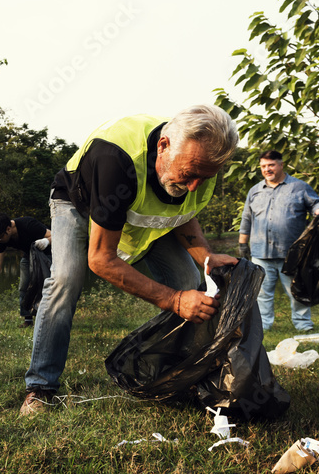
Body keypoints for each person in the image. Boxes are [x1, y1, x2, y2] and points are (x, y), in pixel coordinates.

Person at [20, 105, 240, 416]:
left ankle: (176, 376)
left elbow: (181, 213)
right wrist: (175, 300)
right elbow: (101, 259)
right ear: (163, 146)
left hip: (142, 219)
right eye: (189, 175)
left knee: (191, 282)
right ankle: (40, 387)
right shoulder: (117, 159)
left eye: (204, 178)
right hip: (79, 205)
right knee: (66, 279)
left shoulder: (202, 164)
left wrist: (205, 256)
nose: (194, 186)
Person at [237, 150, 319, 333]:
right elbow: (246, 219)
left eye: (271, 165)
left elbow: (318, 203)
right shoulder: (254, 191)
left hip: (292, 253)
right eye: (263, 166)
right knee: (262, 293)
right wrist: (242, 244)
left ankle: (303, 324)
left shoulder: (299, 187)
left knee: (297, 291)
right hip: (260, 252)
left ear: (281, 164)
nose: (267, 169)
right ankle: (263, 326)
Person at [0, 213, 52, 325]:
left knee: (48, 286)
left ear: (8, 229)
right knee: (24, 286)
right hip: (29, 255)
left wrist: (47, 241)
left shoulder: (28, 224)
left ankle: (50, 318)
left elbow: (56, 236)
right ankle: (27, 319)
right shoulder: (0, 239)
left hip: (48, 255)